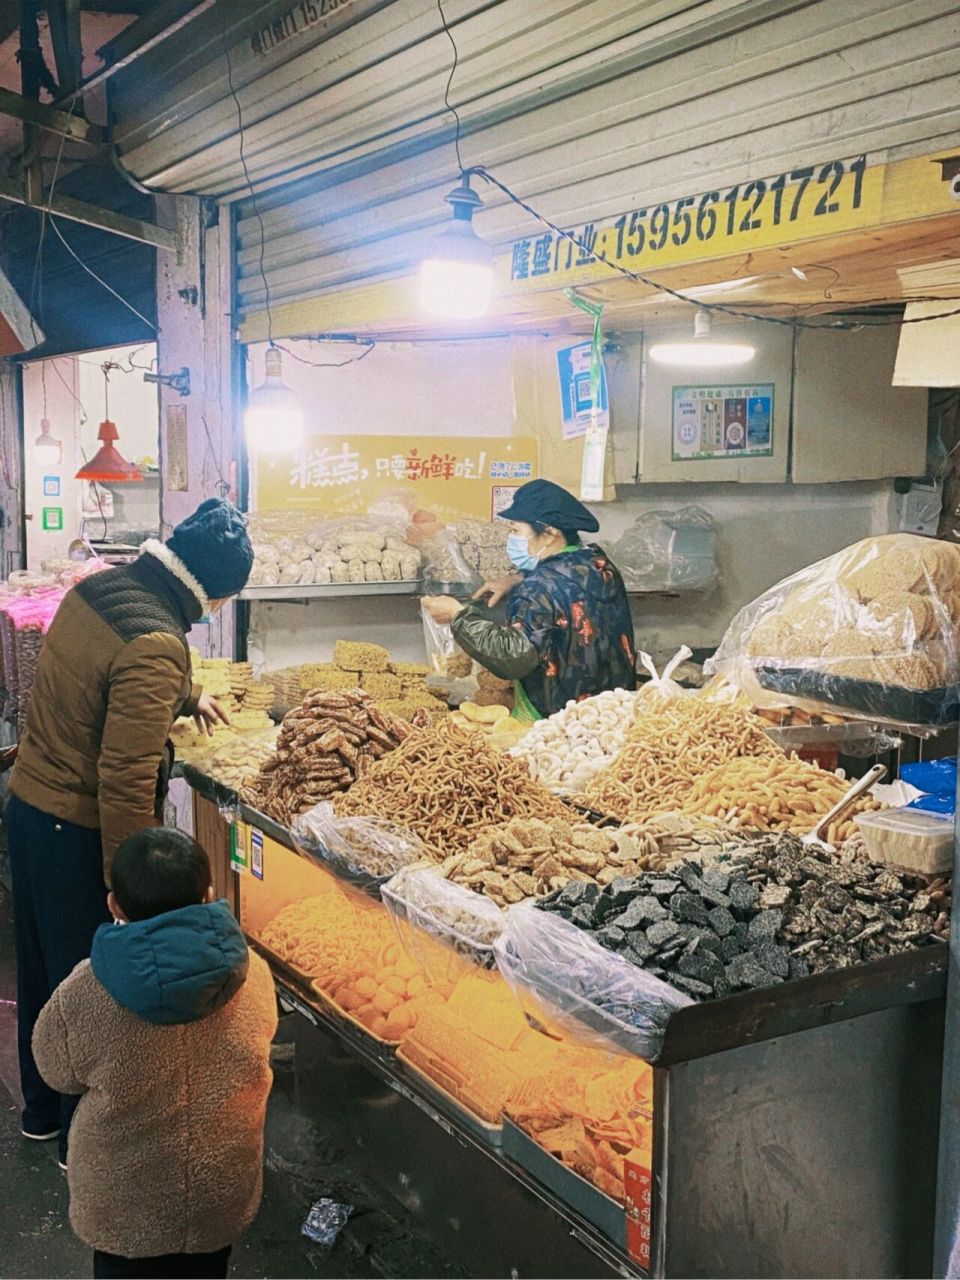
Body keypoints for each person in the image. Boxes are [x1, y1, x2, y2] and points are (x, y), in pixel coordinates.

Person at [7, 497, 253, 1164]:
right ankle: (80, 1143)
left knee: (45, 976)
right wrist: (134, 895)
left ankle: (40, 1113)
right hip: (74, 826)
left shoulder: (105, 590)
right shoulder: (157, 644)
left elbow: (100, 676)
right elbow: (124, 779)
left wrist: (184, 696)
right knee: (92, 995)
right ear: (211, 591)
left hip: (30, 806)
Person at [32, 827, 277, 1280]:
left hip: (124, 1205)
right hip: (216, 1194)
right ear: (207, 895)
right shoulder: (253, 975)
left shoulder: (86, 991)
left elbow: (54, 1070)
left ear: (114, 905)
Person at [422, 479, 636, 720]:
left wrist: (458, 615)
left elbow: (513, 657)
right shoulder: (601, 566)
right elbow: (565, 583)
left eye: (516, 531)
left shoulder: (538, 587)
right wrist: (518, 578)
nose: (511, 539)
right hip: (612, 714)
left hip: (560, 722)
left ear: (549, 534)